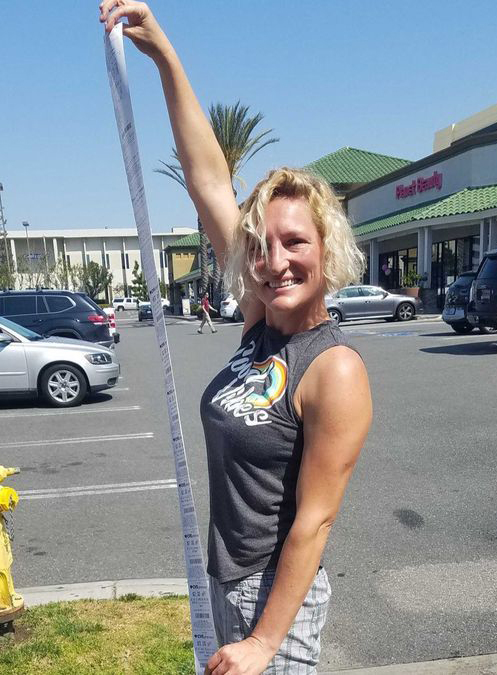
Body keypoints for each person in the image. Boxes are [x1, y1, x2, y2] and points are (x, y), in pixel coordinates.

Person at [100, 4, 373, 673]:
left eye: (295, 242)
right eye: (262, 244)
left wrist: (263, 640)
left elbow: (313, 522)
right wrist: (164, 55)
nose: (276, 259)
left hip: (277, 598)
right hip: (228, 581)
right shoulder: (258, 324)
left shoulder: (333, 368)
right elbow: (208, 180)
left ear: (327, 249)